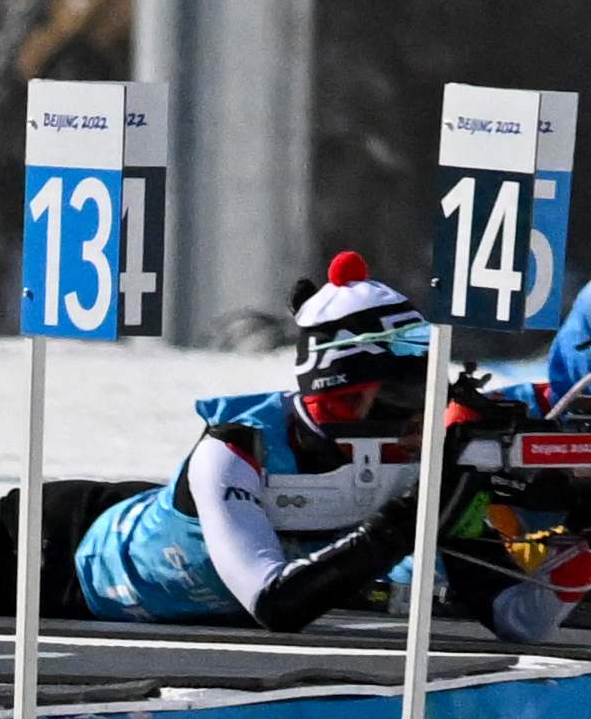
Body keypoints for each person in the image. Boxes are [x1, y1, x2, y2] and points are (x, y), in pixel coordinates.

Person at [71, 257, 476, 630]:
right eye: (409, 396)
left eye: (437, 396)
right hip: (63, 555)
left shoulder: (413, 444)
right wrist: (401, 527)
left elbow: (520, 617)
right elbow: (275, 604)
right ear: (341, 396)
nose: (425, 418)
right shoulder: (234, 448)